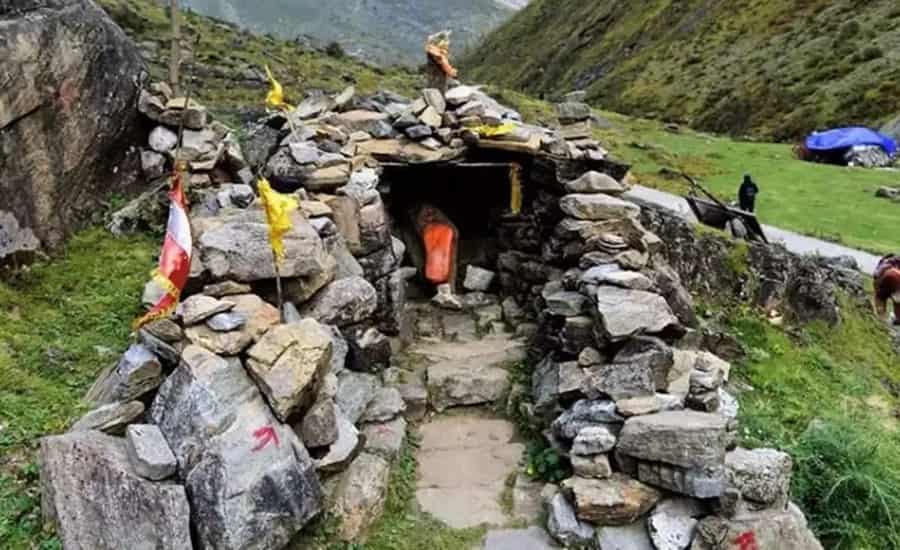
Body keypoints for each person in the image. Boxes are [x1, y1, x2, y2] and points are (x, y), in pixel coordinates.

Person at [873, 254, 900, 325]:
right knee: (897, 300)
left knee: (880, 299)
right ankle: (895, 319)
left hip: (882, 278)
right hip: (892, 277)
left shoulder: (886, 263)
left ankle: (882, 321)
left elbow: (876, 276)